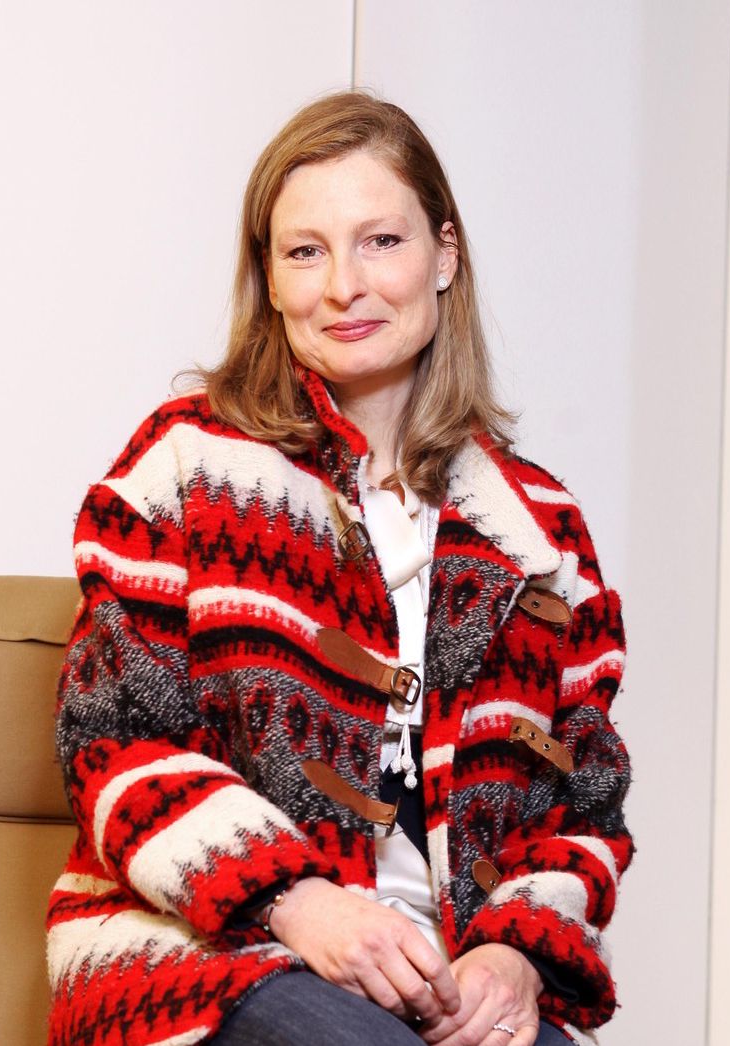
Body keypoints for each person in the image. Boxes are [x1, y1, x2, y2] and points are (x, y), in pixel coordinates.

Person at [47, 91, 631, 1046]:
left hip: (445, 978)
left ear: (444, 256)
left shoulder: (540, 531)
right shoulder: (182, 467)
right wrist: (294, 901)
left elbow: (585, 796)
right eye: (304, 251)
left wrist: (514, 956)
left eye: (380, 242)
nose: (342, 288)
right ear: (269, 281)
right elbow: (111, 743)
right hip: (202, 957)